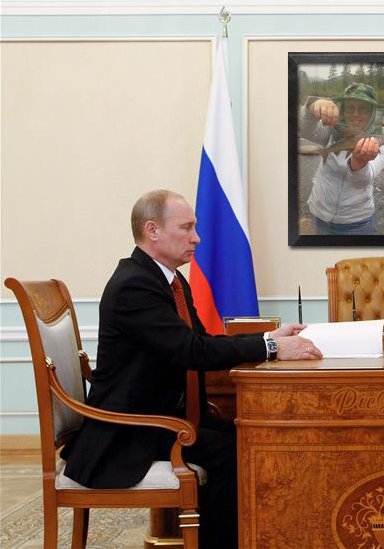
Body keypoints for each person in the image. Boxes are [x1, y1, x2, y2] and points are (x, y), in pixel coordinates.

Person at [60, 190, 322, 548]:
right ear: (152, 230)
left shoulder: (170, 280)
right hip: (130, 429)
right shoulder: (134, 285)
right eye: (186, 228)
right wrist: (273, 349)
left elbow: (199, 341)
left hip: (164, 415)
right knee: (233, 452)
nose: (197, 237)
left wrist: (267, 337)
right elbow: (191, 351)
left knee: (251, 437)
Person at [299, 82, 384, 235]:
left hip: (358, 223)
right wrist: (312, 105)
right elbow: (304, 130)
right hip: (320, 215)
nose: (356, 114)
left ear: (372, 113)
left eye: (363, 109)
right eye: (350, 107)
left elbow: (362, 181)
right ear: (343, 110)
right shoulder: (330, 131)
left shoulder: (379, 146)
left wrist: (359, 163)